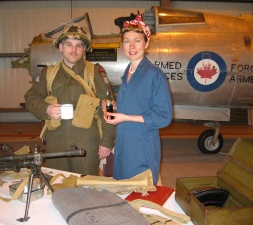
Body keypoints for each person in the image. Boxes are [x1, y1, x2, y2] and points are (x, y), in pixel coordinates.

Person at [24, 23, 115, 176]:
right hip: (56, 143)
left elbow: (109, 106)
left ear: (84, 49)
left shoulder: (95, 73)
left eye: (79, 45)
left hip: (86, 144)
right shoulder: (49, 73)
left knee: (85, 188)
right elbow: (30, 97)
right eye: (69, 45)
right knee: (57, 185)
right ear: (60, 47)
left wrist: (106, 142)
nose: (74, 50)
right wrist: (46, 108)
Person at [103, 14, 173, 185]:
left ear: (147, 43)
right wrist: (115, 106)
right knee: (124, 191)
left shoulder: (154, 75)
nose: (132, 46)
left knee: (140, 194)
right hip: (123, 144)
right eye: (127, 41)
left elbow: (164, 116)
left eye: (137, 40)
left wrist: (125, 117)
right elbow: (139, 103)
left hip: (142, 148)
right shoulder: (127, 73)